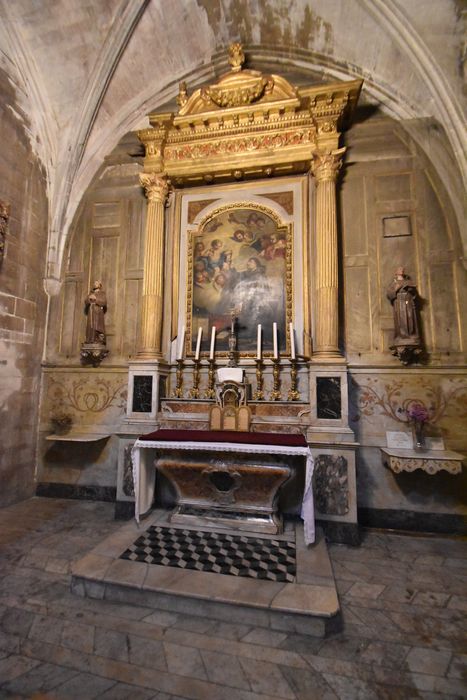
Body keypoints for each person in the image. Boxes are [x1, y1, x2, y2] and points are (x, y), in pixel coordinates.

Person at [386, 267, 420, 345]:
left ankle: (411, 335)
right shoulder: (394, 283)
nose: (402, 270)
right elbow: (389, 294)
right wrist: (396, 289)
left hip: (408, 302)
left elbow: (415, 294)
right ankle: (401, 336)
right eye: (400, 269)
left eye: (402, 269)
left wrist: (411, 291)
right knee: (401, 319)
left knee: (410, 317)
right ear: (396, 272)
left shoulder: (407, 282)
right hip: (399, 303)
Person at [84, 281, 107, 345]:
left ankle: (98, 340)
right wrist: (89, 299)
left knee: (98, 326)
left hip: (98, 312)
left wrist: (95, 299)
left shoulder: (102, 293)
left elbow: (104, 302)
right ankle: (90, 340)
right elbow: (86, 301)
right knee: (90, 326)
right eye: (94, 283)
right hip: (91, 312)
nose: (95, 284)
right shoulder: (91, 293)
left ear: (100, 285)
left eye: (96, 283)